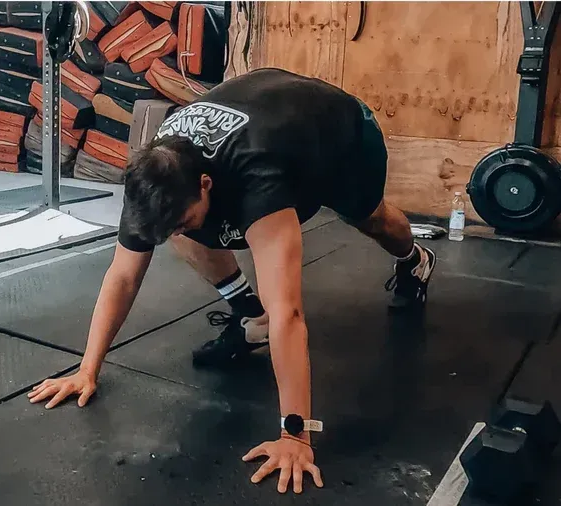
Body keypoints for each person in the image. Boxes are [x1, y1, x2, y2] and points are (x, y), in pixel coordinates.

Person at [28, 68, 437, 494]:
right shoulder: (153, 180)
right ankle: (249, 319)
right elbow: (124, 276)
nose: (178, 231)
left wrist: (295, 435)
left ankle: (415, 260)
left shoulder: (259, 178)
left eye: (186, 215)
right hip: (267, 121)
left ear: (206, 185)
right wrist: (86, 369)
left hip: (342, 136)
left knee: (372, 221)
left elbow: (291, 313)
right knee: (179, 231)